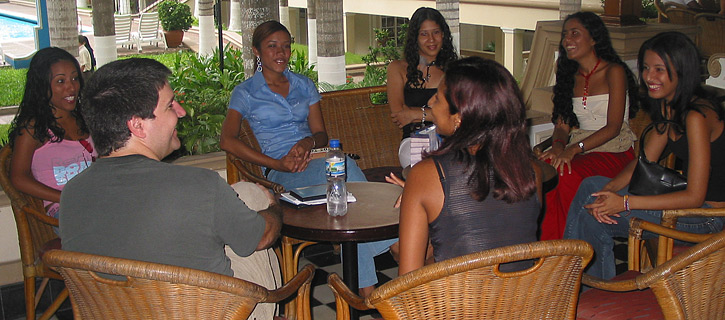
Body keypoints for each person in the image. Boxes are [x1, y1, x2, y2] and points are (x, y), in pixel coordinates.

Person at [59, 58, 282, 306]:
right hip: (205, 311)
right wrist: (274, 207)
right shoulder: (200, 185)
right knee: (253, 196)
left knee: (233, 202)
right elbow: (263, 237)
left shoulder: (71, 193)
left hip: (118, 309)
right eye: (169, 106)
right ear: (137, 125)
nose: (182, 111)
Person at [221, 20, 395, 296]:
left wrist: (307, 142)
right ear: (257, 51)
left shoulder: (304, 85)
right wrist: (277, 164)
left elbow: (321, 135)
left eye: (287, 46)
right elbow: (226, 140)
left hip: (315, 157)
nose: (281, 52)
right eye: (272, 46)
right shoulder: (245, 92)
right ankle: (376, 279)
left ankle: (364, 277)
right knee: (347, 182)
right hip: (281, 171)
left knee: (347, 188)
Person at [563, 32, 725, 280]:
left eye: (660, 69)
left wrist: (625, 203)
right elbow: (642, 163)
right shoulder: (669, 107)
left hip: (709, 217)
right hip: (688, 207)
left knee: (590, 218)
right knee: (590, 188)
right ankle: (573, 283)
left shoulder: (696, 116)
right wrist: (607, 193)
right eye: (646, 68)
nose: (649, 77)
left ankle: (584, 291)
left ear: (682, 71)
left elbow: (695, 196)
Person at [397, 57, 542, 275]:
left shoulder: (426, 176)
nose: (429, 104)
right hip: (523, 305)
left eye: (438, 98)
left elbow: (408, 281)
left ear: (459, 118)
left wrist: (414, 194)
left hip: (459, 307)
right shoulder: (531, 171)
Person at [536, 12, 639, 241]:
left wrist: (573, 149)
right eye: (565, 35)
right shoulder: (567, 75)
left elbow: (613, 127)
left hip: (614, 150)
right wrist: (558, 146)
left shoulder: (614, 71)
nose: (567, 40)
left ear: (593, 38)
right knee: (541, 171)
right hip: (580, 148)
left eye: (575, 33)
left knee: (566, 174)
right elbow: (562, 125)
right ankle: (546, 247)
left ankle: (570, 245)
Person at [8, 47, 96, 221]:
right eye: (61, 81)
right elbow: (18, 177)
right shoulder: (33, 128)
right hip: (63, 211)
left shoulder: (85, 119)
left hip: (95, 202)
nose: (71, 87)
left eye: (74, 78)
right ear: (42, 86)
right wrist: (63, 198)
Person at [386, 7, 457, 168]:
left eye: (436, 32)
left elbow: (461, 116)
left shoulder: (455, 70)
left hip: (450, 139)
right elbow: (399, 116)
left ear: (443, 35)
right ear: (415, 38)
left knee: (456, 161)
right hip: (414, 140)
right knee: (422, 164)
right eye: (424, 34)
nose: (431, 39)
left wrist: (414, 113)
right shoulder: (398, 69)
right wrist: (439, 115)